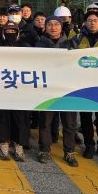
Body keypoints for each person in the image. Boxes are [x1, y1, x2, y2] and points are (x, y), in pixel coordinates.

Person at [35, 15, 79, 167]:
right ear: (45, 27)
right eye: (50, 24)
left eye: (56, 24)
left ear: (61, 27)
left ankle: (69, 151)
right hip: (47, 90)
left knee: (69, 123)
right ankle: (44, 150)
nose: (53, 27)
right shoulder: (39, 45)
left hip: (68, 90)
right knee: (45, 122)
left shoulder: (71, 44)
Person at [70, 9, 98, 159]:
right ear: (85, 23)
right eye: (89, 21)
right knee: (85, 116)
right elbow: (69, 57)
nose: (92, 23)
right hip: (83, 84)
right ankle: (89, 145)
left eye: (95, 21)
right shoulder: (78, 38)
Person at [0, 21, 30, 161]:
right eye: (8, 31)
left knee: (20, 117)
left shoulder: (26, 47)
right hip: (1, 86)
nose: (10, 33)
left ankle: (19, 145)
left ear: (18, 33)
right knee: (1, 116)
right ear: (3, 33)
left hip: (20, 88)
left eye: (13, 31)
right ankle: (3, 143)